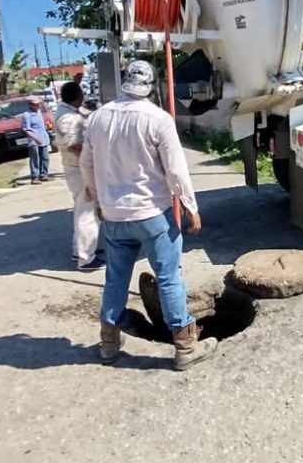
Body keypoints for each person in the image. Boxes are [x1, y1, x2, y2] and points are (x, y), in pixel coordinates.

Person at [80, 60, 217, 370]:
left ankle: (108, 342)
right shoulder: (158, 119)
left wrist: (98, 199)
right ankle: (184, 347)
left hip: (115, 217)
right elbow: (176, 170)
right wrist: (191, 207)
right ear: (152, 87)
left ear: (125, 83)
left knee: (115, 278)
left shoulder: (98, 119)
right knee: (169, 277)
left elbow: (87, 164)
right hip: (154, 214)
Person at [55, 82, 106, 272]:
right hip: (79, 170)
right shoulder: (69, 118)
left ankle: (80, 251)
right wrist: (93, 161)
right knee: (88, 213)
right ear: (78, 96)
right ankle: (86, 259)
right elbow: (75, 145)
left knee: (81, 211)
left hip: (75, 169)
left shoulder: (67, 113)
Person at [21, 96, 50, 185]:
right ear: (30, 105)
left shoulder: (39, 112)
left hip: (43, 139)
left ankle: (43, 175)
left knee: (45, 158)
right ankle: (35, 177)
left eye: (38, 104)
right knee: (35, 159)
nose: (38, 106)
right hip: (34, 140)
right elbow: (26, 130)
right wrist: (36, 139)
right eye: (36, 105)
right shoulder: (26, 115)